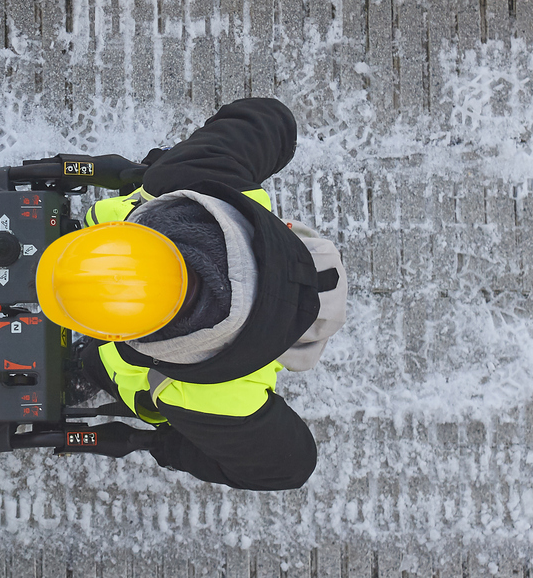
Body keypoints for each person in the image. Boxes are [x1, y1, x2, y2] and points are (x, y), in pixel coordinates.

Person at [35, 96, 346, 490]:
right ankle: (94, 365)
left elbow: (291, 468)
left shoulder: (213, 398)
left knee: (110, 367)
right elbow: (272, 119)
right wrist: (161, 168)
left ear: (119, 334)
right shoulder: (189, 175)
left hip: (276, 307)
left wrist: (165, 444)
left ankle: (92, 365)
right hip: (276, 270)